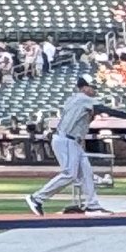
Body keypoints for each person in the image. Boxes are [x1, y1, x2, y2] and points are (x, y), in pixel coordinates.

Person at [28, 77, 107, 217]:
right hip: (66, 139)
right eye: (91, 87)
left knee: (86, 173)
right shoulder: (82, 99)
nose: (94, 90)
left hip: (72, 140)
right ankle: (37, 198)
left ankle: (93, 206)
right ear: (84, 88)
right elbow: (102, 109)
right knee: (70, 174)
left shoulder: (74, 100)